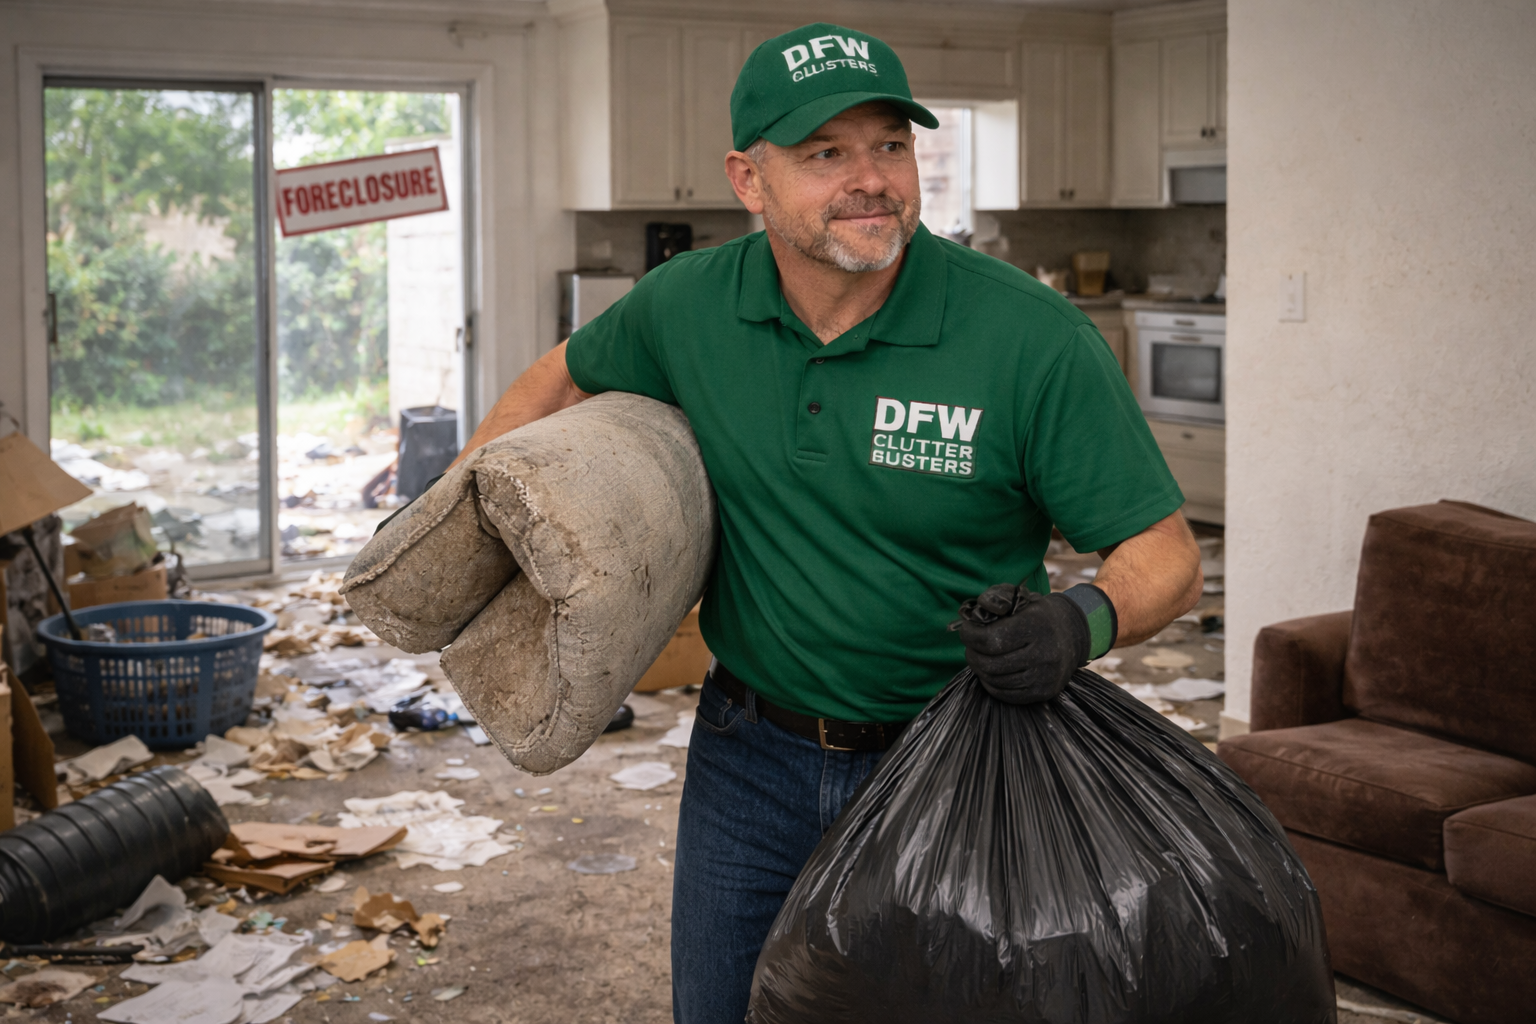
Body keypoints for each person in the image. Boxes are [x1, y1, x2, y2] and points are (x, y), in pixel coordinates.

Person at [453, 22, 1202, 1024]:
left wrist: (1083, 621)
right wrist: (466, 515)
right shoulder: (690, 307)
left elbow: (1166, 556)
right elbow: (556, 377)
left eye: (890, 144)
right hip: (749, 756)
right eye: (825, 153)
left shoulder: (1030, 339)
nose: (871, 179)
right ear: (748, 180)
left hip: (956, 764)